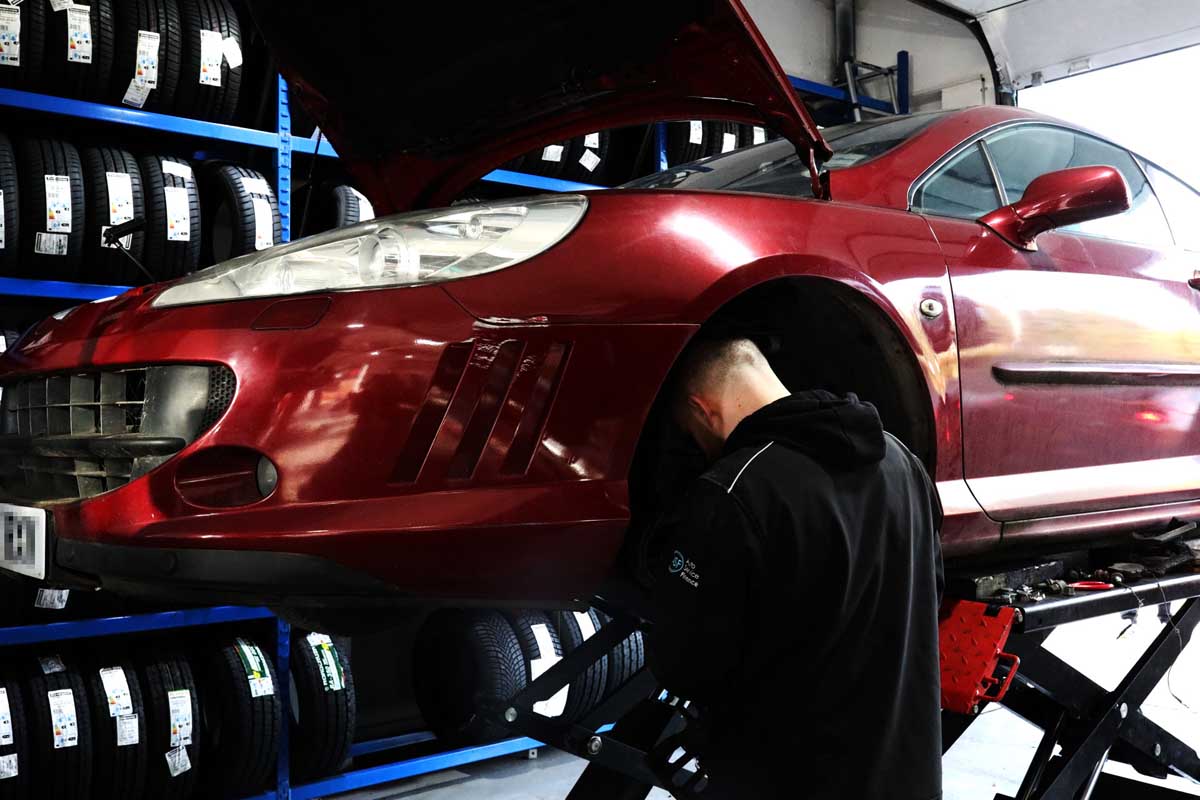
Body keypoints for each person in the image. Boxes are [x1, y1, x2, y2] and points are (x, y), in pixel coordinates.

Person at [645, 337, 944, 800]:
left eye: (689, 429)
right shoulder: (901, 461)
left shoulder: (732, 494)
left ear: (701, 409)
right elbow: (931, 595)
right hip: (906, 778)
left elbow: (687, 665)